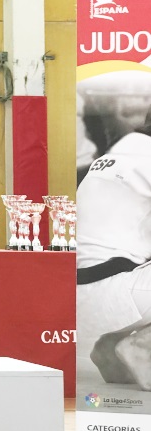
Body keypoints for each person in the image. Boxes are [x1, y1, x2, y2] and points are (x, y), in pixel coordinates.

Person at [76, 109, 151, 390]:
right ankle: (143, 346)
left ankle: (110, 348)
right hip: (119, 292)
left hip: (75, 297)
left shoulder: (115, 155)